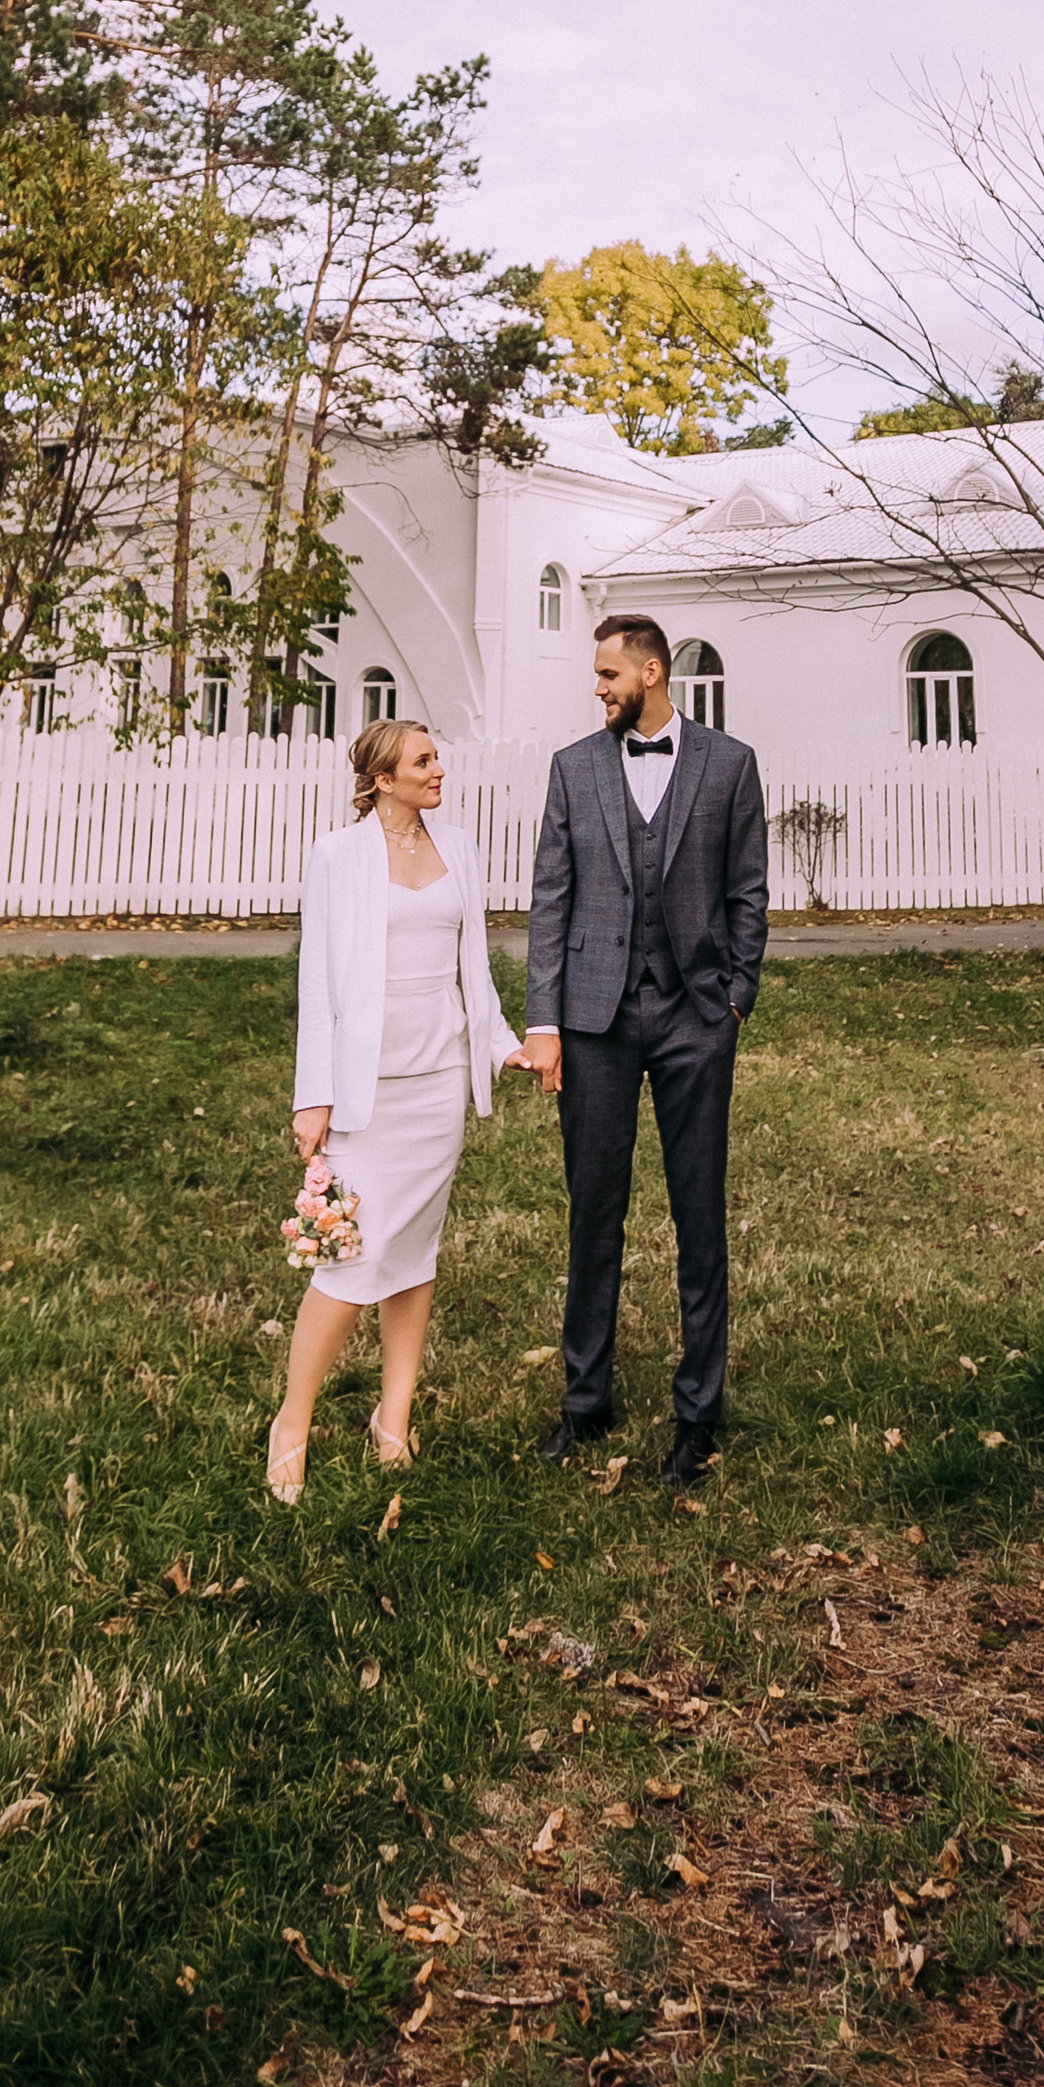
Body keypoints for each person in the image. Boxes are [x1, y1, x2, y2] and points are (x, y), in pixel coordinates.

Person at [519, 612, 768, 1486]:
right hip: (595, 1023)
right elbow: (551, 902)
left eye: (608, 675)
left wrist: (736, 997)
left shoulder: (731, 765)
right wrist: (542, 1022)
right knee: (594, 1215)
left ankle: (698, 1415)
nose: (598, 688)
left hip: (698, 1019)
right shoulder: (572, 769)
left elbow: (747, 891)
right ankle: (585, 1403)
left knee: (699, 1217)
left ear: (653, 673)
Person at [268, 716, 530, 1500]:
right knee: (350, 1261)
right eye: (423, 761)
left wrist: (500, 1044)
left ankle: (393, 1419)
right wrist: (312, 1095)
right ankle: (293, 1419)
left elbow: (472, 966)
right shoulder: (337, 856)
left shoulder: (460, 847)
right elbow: (317, 981)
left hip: (438, 1080)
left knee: (414, 1257)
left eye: (436, 758)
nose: (437, 769)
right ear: (383, 778)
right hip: (366, 1089)